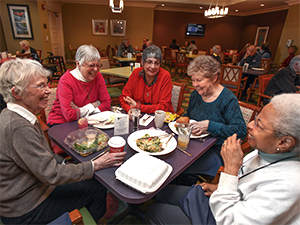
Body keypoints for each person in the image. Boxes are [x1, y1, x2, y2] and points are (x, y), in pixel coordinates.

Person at [0, 58, 126, 225]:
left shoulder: (15, 115)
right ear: (17, 93)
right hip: (27, 206)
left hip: (33, 189)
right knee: (97, 188)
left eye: (47, 84)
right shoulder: (18, 127)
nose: (48, 91)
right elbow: (51, 174)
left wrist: (68, 165)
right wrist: (96, 164)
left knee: (88, 181)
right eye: (41, 86)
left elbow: (46, 157)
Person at [145, 93, 300, 225]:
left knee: (153, 211)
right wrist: (221, 188)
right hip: (225, 198)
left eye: (259, 124)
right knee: (162, 192)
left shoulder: (289, 185)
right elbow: (245, 186)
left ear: (285, 142)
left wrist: (230, 172)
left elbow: (231, 220)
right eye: (256, 118)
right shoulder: (266, 151)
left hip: (224, 217)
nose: (250, 125)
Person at [173, 56, 247, 185]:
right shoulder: (196, 94)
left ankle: (182, 195)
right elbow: (190, 114)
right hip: (194, 142)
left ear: (214, 78)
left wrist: (210, 126)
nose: (195, 85)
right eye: (193, 80)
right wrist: (185, 118)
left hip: (216, 148)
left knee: (184, 166)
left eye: (199, 80)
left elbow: (240, 130)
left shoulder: (227, 99)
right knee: (172, 157)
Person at [47, 45, 111, 126]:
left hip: (91, 120)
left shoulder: (98, 76)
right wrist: (93, 105)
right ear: (78, 64)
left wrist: (80, 110)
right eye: (91, 65)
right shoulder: (66, 81)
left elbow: (107, 104)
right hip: (62, 123)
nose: (95, 69)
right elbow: (69, 116)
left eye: (98, 65)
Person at [119, 45, 174, 114]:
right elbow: (124, 98)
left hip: (160, 118)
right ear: (142, 62)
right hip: (138, 115)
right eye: (149, 62)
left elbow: (163, 107)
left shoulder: (165, 76)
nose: (153, 67)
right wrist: (129, 109)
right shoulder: (136, 73)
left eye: (157, 63)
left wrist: (137, 106)